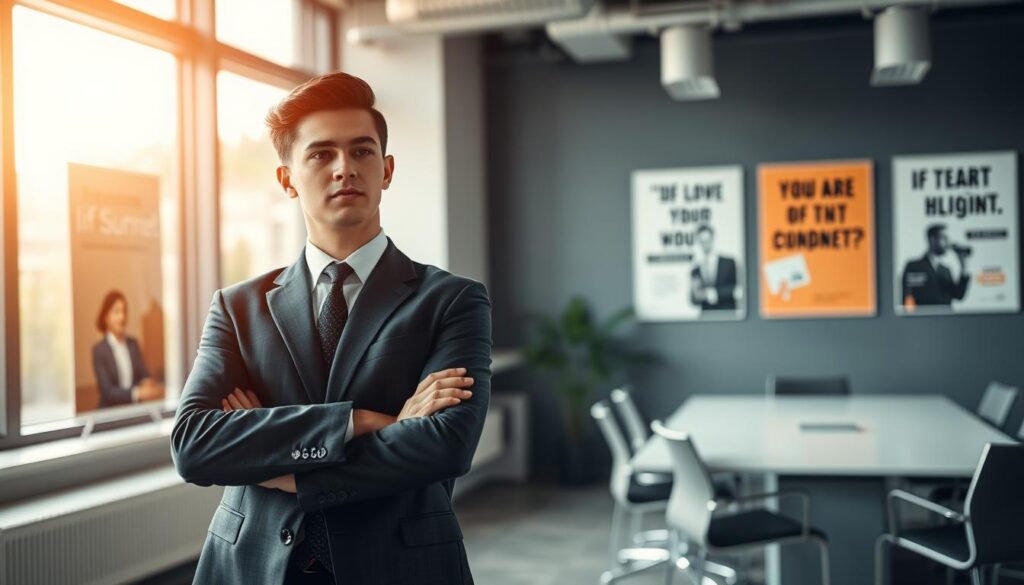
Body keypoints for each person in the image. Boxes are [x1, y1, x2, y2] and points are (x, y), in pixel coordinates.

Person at [170, 71, 492, 585]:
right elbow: (194, 445)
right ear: (287, 179)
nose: (345, 168)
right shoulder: (237, 307)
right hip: (252, 566)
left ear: (386, 170)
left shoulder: (451, 300)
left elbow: (446, 446)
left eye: (362, 152)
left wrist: (275, 467)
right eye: (321, 155)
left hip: (398, 567)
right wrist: (367, 421)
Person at [91, 290, 161, 408]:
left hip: (133, 411)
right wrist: (138, 393)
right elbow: (107, 392)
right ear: (106, 317)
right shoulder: (99, 350)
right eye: (116, 312)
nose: (122, 317)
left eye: (124, 311)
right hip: (109, 415)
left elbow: (143, 372)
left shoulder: (133, 344)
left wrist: (147, 381)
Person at [901, 223, 970, 309]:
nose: (948, 242)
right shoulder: (913, 266)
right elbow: (905, 298)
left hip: (945, 320)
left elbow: (958, 295)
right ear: (932, 240)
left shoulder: (946, 270)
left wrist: (964, 267)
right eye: (944, 238)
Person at [689, 224, 739, 312]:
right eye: (702, 241)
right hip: (707, 317)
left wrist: (712, 294)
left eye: (707, 240)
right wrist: (695, 293)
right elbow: (694, 300)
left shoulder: (728, 263)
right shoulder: (696, 269)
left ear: (712, 239)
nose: (705, 244)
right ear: (699, 242)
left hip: (727, 314)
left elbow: (737, 289)